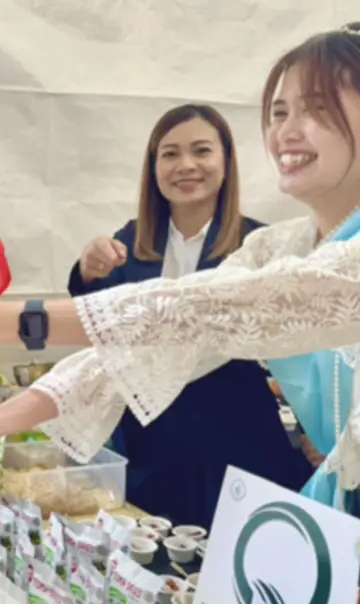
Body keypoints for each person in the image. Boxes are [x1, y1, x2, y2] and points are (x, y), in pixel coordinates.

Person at [0, 28, 360, 512]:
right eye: (279, 112)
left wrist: (11, 320)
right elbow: (146, 346)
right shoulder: (275, 246)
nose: (287, 131)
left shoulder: (286, 250)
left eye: (317, 108)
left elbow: (202, 310)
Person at [65, 104, 305, 524]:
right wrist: (86, 272)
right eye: (170, 154)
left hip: (237, 440)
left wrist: (311, 428)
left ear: (226, 162)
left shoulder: (259, 243)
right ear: (153, 167)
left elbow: (302, 346)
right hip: (151, 445)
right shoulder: (131, 240)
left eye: (202, 151)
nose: (186, 165)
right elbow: (95, 321)